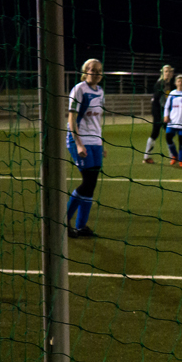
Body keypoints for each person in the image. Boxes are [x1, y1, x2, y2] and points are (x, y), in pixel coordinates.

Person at [66, 58, 106, 238]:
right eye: (93, 70)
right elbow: (71, 119)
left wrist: (101, 142)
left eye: (99, 70)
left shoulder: (100, 91)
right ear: (85, 71)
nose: (96, 73)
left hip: (95, 143)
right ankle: (63, 221)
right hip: (80, 141)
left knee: (91, 185)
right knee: (88, 183)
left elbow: (97, 120)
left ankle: (81, 227)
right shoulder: (79, 89)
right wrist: (79, 143)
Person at [143, 64, 174, 163]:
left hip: (166, 112)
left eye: (169, 71)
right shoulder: (159, 84)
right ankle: (147, 157)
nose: (168, 73)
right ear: (162, 73)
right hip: (158, 111)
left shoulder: (172, 85)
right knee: (156, 133)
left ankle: (171, 157)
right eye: (166, 71)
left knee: (168, 133)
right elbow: (156, 99)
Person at [163, 74, 182, 167]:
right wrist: (166, 116)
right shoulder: (172, 93)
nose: (180, 83)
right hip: (172, 121)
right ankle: (174, 155)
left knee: (181, 141)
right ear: (176, 83)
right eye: (179, 81)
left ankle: (181, 160)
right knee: (168, 138)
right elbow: (167, 106)